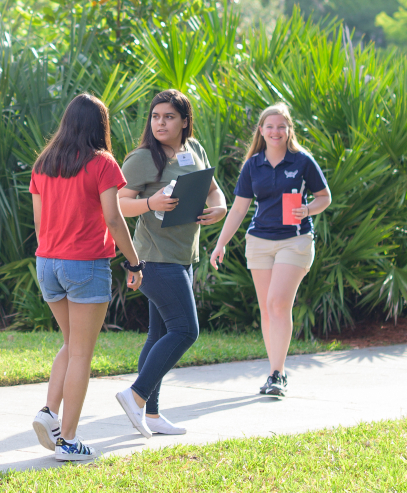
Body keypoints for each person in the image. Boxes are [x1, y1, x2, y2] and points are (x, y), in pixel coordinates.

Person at [26, 94, 141, 462]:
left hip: (48, 262)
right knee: (81, 353)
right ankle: (68, 441)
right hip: (85, 264)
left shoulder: (44, 163)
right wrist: (134, 262)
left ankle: (48, 412)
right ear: (100, 126)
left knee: (71, 342)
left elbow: (39, 222)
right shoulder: (102, 163)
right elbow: (113, 217)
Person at [113, 90, 227, 437]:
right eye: (156, 116)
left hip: (182, 256)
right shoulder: (143, 158)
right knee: (185, 330)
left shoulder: (194, 151)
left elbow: (214, 191)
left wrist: (220, 208)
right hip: (153, 258)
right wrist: (151, 203)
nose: (160, 123)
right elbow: (116, 204)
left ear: (184, 121)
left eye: (169, 117)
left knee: (159, 333)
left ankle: (152, 415)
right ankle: (135, 395)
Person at [209, 102, 331, 399]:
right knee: (267, 308)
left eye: (281, 126)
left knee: (278, 302)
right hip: (259, 241)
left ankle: (278, 373)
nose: (276, 131)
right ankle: (274, 371)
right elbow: (239, 209)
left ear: (289, 130)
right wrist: (220, 243)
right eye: (270, 126)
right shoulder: (253, 165)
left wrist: (307, 209)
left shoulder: (302, 161)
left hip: (295, 240)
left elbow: (324, 197)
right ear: (261, 130)